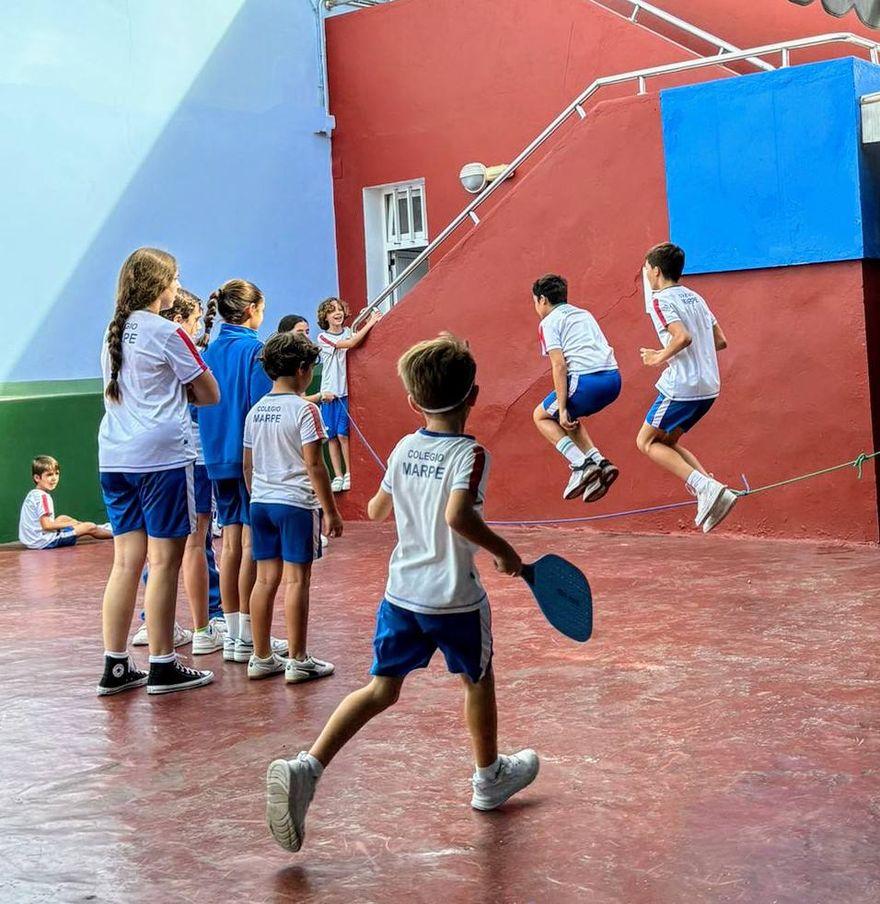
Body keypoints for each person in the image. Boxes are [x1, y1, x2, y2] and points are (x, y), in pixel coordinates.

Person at [264, 333, 539, 854]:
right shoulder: (471, 453)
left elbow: (374, 510)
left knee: (380, 689)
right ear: (473, 395)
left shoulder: (404, 446)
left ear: (414, 403)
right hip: (456, 598)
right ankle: (488, 778)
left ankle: (309, 766)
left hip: (401, 594)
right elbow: (458, 515)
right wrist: (504, 551)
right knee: (477, 680)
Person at [96, 247, 219, 696]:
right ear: (159, 285)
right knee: (165, 560)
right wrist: (174, 393)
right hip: (162, 459)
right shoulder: (169, 333)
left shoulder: (112, 331)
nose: (177, 286)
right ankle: (164, 663)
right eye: (175, 278)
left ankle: (115, 665)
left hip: (114, 457)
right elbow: (209, 393)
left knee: (125, 562)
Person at [243, 331, 343, 681]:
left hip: (261, 503)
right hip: (296, 504)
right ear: (302, 370)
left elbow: (247, 464)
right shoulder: (306, 410)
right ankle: (298, 659)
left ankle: (260, 656)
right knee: (297, 580)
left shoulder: (255, 411)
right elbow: (315, 465)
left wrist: (258, 493)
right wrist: (330, 510)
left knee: (265, 579)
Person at [199, 280, 287, 663]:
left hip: (216, 455)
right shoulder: (255, 351)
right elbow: (259, 409)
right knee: (251, 543)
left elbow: (195, 405)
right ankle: (249, 633)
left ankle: (234, 634)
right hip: (248, 458)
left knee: (230, 543)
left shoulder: (208, 350)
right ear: (252, 310)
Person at [636, 242, 736, 532]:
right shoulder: (695, 297)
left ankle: (704, 487)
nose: (646, 276)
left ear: (655, 271)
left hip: (683, 386)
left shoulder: (660, 300)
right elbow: (720, 340)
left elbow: (682, 337)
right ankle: (716, 491)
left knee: (646, 442)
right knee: (668, 443)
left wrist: (658, 356)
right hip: (709, 386)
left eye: (646, 270)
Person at [531, 274, 622, 503]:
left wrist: (560, 408)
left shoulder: (549, 322)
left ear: (542, 300)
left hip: (586, 382)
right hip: (613, 380)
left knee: (542, 416)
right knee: (570, 419)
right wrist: (565, 411)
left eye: (534, 301)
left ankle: (581, 465)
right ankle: (600, 462)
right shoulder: (584, 314)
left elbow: (559, 365)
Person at [314, 297, 380, 492]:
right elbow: (350, 343)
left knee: (343, 434)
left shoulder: (349, 331)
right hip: (328, 392)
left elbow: (353, 339)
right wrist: (370, 322)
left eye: (340, 309)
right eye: (332, 310)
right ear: (325, 316)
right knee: (331, 436)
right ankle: (338, 475)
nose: (337, 313)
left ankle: (349, 472)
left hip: (344, 392)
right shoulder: (323, 338)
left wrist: (366, 324)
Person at [18, 455, 112, 549]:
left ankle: (99, 528)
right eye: (49, 475)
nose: (54, 478)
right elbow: (46, 526)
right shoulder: (43, 497)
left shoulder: (33, 494)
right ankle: (116, 533)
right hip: (45, 542)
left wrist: (72, 523)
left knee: (63, 518)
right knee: (90, 527)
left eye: (57, 473)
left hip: (32, 540)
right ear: (37, 478)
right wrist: (71, 524)